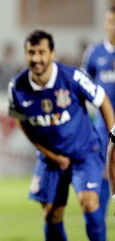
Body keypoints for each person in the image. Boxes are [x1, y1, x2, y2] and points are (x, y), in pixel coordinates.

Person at [8, 30, 114, 241]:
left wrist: (112, 135)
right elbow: (21, 121)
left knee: (89, 202)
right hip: (51, 159)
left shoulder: (71, 77)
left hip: (84, 151)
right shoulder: (17, 87)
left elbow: (102, 100)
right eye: (31, 52)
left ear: (51, 54)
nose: (36, 58)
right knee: (51, 215)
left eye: (42, 52)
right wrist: (49, 153)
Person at [82, 6, 115, 223]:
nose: (112, 26)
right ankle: (100, 221)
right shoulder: (95, 53)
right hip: (105, 125)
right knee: (104, 172)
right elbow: (84, 85)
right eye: (109, 21)